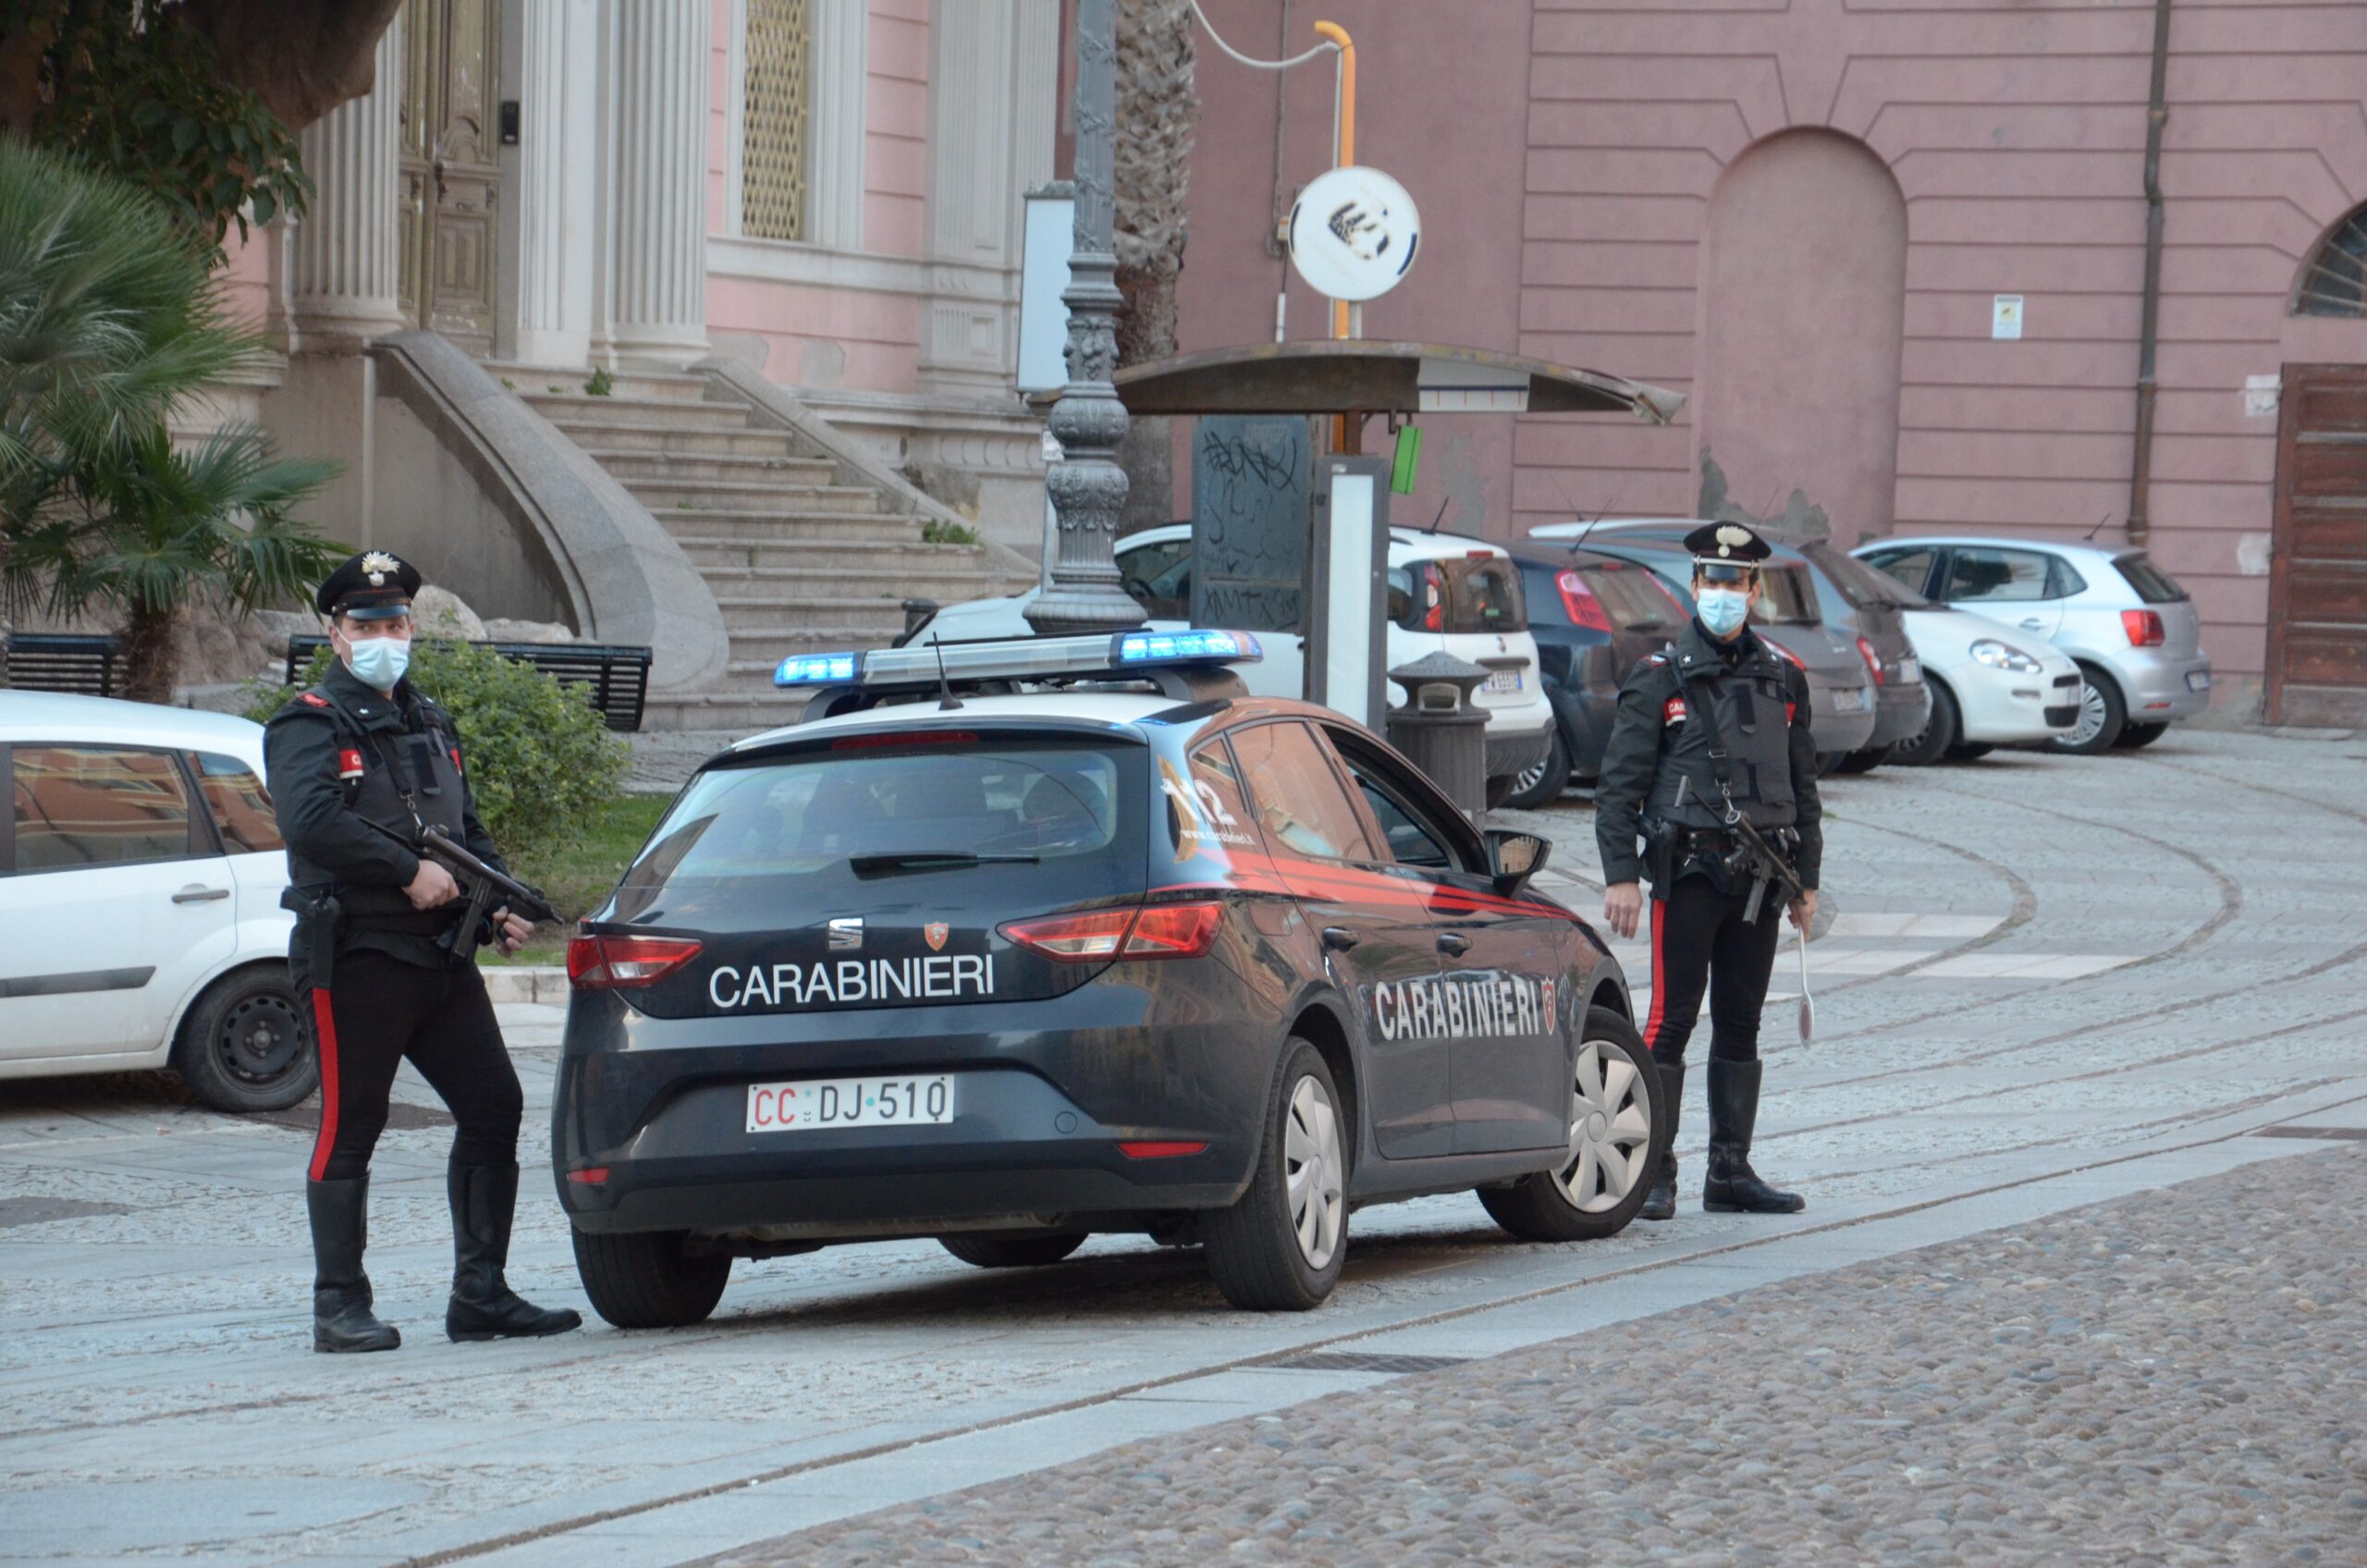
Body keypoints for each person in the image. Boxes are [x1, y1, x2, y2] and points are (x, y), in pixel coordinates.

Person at [265, 550, 581, 1353]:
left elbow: (467, 833)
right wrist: (406, 871)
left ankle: (480, 1294)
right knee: (352, 1123)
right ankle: (339, 1304)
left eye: (397, 622)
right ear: (335, 635)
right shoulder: (308, 720)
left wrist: (500, 903)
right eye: (366, 625)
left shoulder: (429, 717)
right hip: (359, 954)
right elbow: (311, 824)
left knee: (493, 1106)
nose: (384, 637)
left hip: (440, 958)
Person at [1593, 522, 1821, 1219]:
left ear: (1757, 590)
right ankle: (1654, 1170)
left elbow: (1804, 787)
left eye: (1737, 582)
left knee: (1742, 1022)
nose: (1724, 593)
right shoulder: (1657, 676)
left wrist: (1807, 881)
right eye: (1712, 581)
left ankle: (1730, 1171)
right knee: (1670, 1022)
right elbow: (1619, 786)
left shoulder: (1784, 676)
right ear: (1695, 587)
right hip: (1687, 874)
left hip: (1760, 879)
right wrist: (1621, 874)